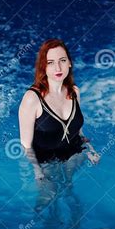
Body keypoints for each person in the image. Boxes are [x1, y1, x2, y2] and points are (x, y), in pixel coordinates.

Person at [18, 39, 100, 181]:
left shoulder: (74, 92)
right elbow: (26, 145)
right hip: (46, 163)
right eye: (50, 62)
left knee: (69, 189)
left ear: (69, 63)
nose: (58, 68)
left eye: (62, 60)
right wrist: (38, 172)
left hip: (73, 155)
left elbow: (78, 131)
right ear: (43, 67)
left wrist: (90, 150)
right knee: (48, 199)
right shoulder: (32, 98)